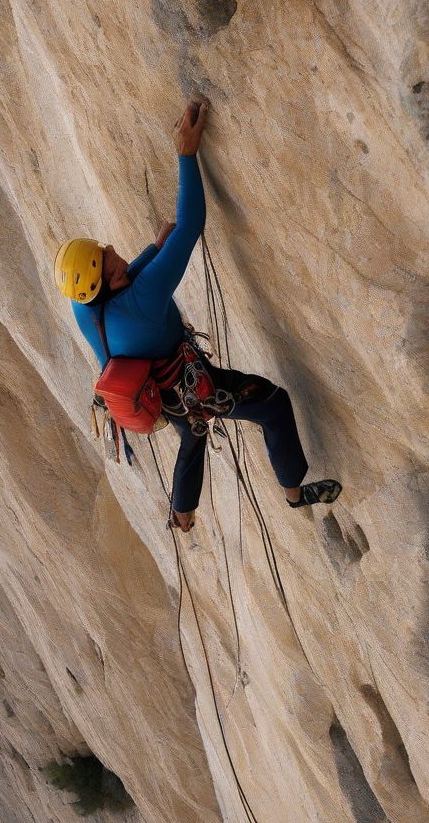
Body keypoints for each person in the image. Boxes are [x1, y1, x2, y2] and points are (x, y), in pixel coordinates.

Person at [54, 96, 341, 531]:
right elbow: (189, 227)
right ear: (104, 281)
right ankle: (295, 494)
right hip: (192, 386)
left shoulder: (84, 306)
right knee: (272, 404)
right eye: (106, 256)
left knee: (191, 433)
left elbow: (123, 281)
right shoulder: (143, 300)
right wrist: (186, 154)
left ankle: (182, 513)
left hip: (159, 390)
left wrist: (152, 250)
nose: (112, 250)